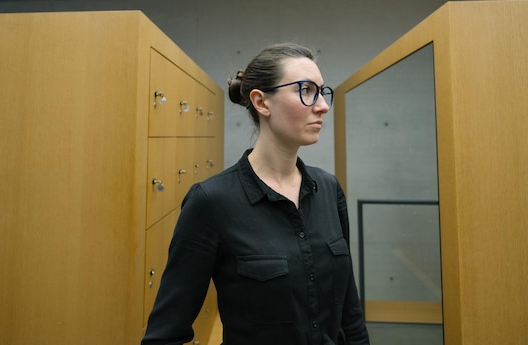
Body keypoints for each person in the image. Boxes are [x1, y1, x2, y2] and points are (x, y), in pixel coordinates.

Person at [142, 43, 370, 345]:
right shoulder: (211, 201)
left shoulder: (328, 189)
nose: (323, 106)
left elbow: (349, 312)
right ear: (261, 102)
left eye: (322, 91)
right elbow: (164, 335)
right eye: (306, 90)